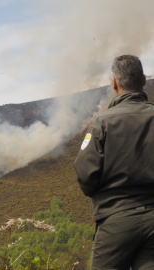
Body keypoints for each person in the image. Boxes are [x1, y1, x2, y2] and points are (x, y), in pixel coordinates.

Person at [74, 55, 154, 270]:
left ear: (115, 83)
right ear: (144, 80)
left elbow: (85, 176)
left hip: (116, 220)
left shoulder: (103, 122)